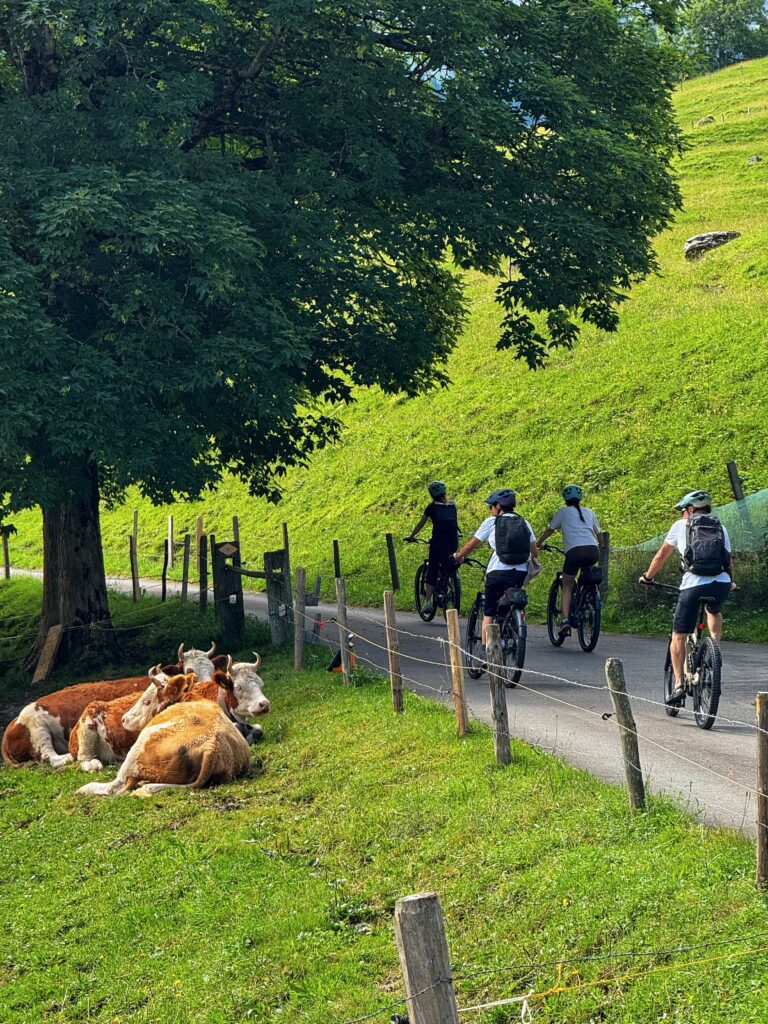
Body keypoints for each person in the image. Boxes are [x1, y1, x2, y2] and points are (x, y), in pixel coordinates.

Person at [639, 490, 734, 704]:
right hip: (721, 583)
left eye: (684, 511)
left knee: (678, 636)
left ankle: (679, 685)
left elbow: (662, 554)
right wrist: (731, 581)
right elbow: (728, 560)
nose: (683, 515)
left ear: (690, 509)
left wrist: (647, 577)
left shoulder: (680, 525)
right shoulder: (721, 528)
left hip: (693, 585)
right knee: (714, 609)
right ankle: (715, 650)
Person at [454, 488, 537, 645]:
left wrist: (459, 556)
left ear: (498, 506)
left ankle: (488, 653)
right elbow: (534, 553)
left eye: (490, 506)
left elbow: (471, 545)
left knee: (489, 614)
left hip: (497, 572)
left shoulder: (491, 522)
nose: (490, 509)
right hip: (520, 573)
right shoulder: (524, 522)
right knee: (509, 601)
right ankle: (510, 627)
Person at [537, 484, 604, 636]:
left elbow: (550, 530)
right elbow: (599, 534)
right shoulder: (589, 512)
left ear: (565, 499)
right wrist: (602, 546)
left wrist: (539, 543)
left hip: (574, 552)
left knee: (567, 584)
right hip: (593, 551)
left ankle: (565, 620)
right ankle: (590, 600)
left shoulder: (563, 512)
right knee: (588, 577)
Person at [405, 481, 460, 615]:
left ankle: (428, 601)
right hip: (453, 542)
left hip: (438, 543)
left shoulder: (432, 507)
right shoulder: (452, 505)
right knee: (449, 564)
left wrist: (412, 535)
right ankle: (451, 583)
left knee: (432, 569)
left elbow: (421, 523)